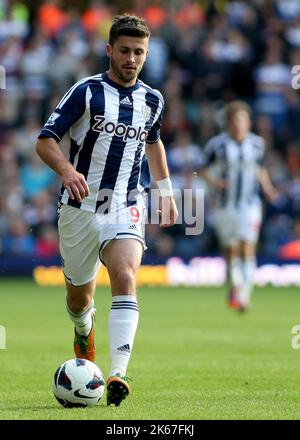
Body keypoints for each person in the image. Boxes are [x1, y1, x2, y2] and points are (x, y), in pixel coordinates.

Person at [36, 14, 178, 407]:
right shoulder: (86, 92)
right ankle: (85, 328)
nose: (132, 59)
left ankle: (118, 372)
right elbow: (45, 140)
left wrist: (164, 190)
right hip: (80, 208)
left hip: (125, 201)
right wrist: (66, 170)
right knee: (80, 301)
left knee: (125, 274)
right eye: (126, 51)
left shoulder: (153, 100)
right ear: (109, 50)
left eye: (140, 52)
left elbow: (154, 142)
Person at [196, 101, 277, 312]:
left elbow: (260, 168)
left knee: (247, 247)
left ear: (248, 122)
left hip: (250, 205)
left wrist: (268, 188)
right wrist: (216, 183)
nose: (239, 124)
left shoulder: (257, 144)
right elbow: (201, 170)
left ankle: (244, 296)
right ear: (228, 123)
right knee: (231, 251)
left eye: (242, 120)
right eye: (234, 120)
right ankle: (236, 286)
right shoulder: (217, 145)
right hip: (225, 206)